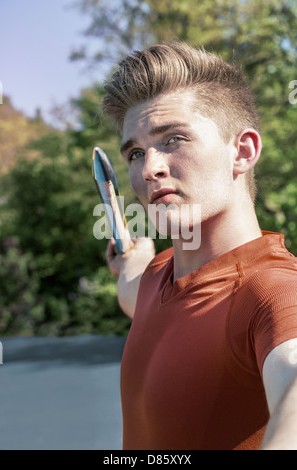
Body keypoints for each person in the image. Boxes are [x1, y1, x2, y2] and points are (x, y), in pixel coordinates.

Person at [102, 41, 297, 450]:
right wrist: (132, 256)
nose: (150, 168)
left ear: (242, 151)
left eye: (173, 139)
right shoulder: (157, 276)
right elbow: (132, 287)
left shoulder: (273, 291)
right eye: (136, 152)